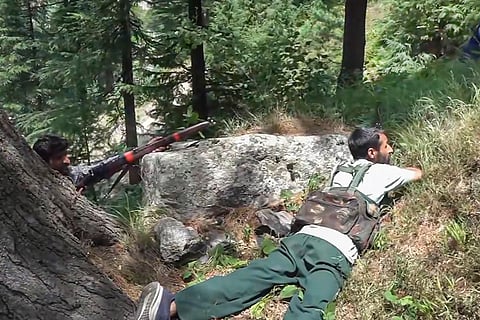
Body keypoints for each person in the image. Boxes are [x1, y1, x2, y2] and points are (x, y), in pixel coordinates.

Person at [133, 127, 423, 320]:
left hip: (300, 240)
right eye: (387, 145)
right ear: (372, 153)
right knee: (312, 304)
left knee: (246, 280)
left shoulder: (340, 169)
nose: (391, 150)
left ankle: (167, 307)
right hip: (333, 250)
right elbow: (418, 173)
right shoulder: (383, 173)